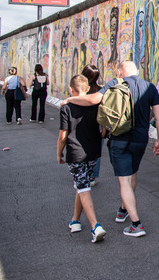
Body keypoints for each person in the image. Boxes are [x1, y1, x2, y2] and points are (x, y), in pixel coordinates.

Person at [63, 61, 159, 237]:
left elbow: (94, 99)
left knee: (124, 180)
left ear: (119, 71)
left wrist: (70, 99)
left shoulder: (115, 83)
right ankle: (123, 210)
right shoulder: (149, 87)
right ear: (137, 71)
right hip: (141, 139)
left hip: (120, 138)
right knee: (132, 175)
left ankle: (136, 224)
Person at [56, 75, 106, 243]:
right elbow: (104, 129)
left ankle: (95, 226)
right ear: (87, 89)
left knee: (83, 186)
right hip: (93, 151)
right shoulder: (95, 104)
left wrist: (58, 153)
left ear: (71, 89)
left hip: (76, 153)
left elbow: (63, 135)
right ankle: (75, 220)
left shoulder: (66, 108)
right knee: (81, 184)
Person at [81, 64, 103, 187]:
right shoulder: (100, 91)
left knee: (82, 147)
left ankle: (83, 172)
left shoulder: (81, 92)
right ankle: (92, 176)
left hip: (82, 123)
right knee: (96, 150)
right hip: (98, 124)